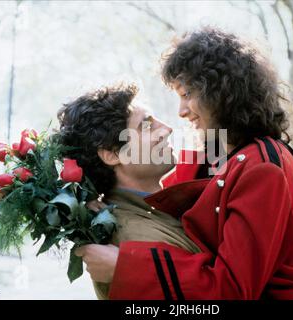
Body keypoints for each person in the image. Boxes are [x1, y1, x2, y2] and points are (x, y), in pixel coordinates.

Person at [76, 27, 293, 300]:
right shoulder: (213, 150)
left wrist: (125, 267)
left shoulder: (262, 167)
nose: (180, 111)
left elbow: (232, 289)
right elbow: (158, 196)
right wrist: (96, 203)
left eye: (187, 94)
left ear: (220, 90)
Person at [57, 84, 200, 299]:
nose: (168, 128)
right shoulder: (133, 240)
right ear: (113, 154)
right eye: (146, 125)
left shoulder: (152, 209)